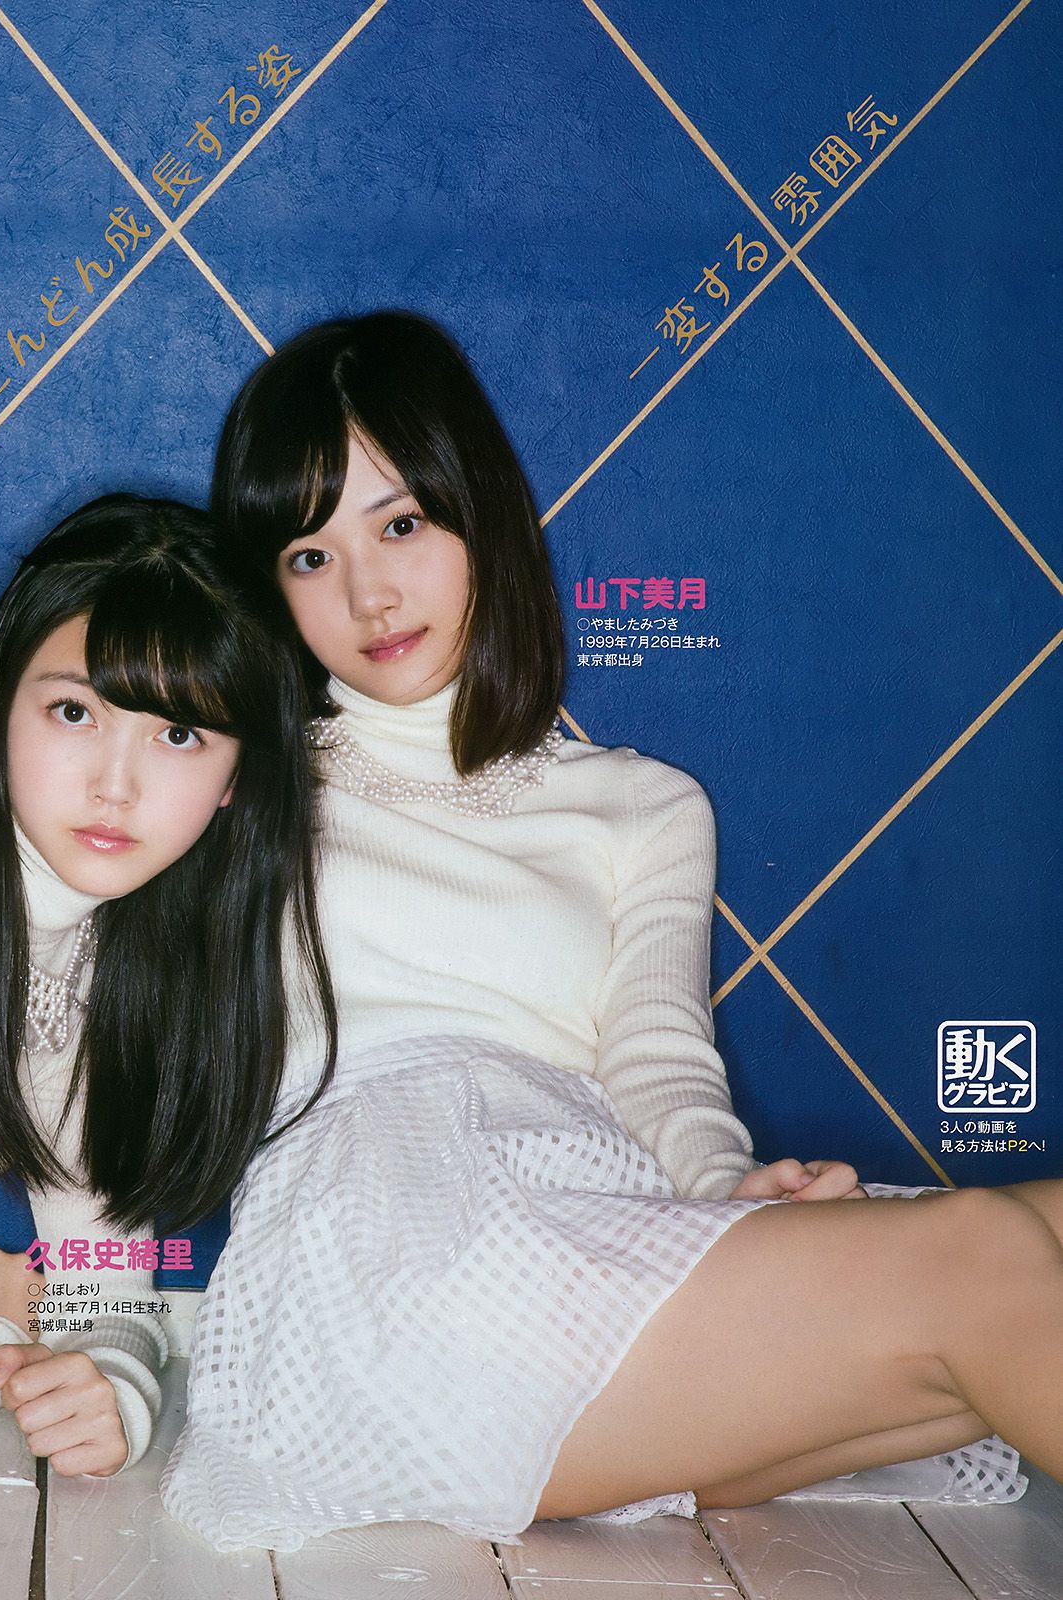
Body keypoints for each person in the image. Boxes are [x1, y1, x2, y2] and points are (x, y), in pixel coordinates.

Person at [162, 310, 1051, 1551]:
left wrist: (725, 1192)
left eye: (402, 524)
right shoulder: (238, 779)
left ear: (481, 513)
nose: (368, 593)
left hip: (585, 1219)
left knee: (1045, 1228)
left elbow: (658, 1051)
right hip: (389, 1264)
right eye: (310, 556)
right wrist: (38, 1311)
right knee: (986, 1257)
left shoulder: (642, 804)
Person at [0, 495, 334, 1483]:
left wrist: (112, 1384)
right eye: (74, 712)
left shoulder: (92, 936)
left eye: (178, 735)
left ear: (237, 778)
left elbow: (100, 1273)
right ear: (1, 706)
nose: (114, 786)